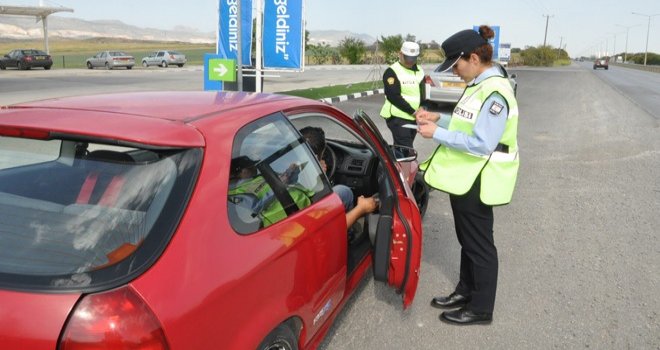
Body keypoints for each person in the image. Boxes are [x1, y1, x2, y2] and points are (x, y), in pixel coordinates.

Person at [414, 25, 520, 325]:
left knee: (479, 245)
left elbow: (482, 142)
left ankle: (481, 308)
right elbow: (468, 122)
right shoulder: (478, 85)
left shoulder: (496, 91)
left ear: (474, 58)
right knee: (467, 240)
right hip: (466, 178)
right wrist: (440, 117)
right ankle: (466, 291)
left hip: (480, 178)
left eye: (456, 65)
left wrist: (437, 133)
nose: (454, 72)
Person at [299, 126, 378, 231]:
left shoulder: (283, 169)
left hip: (300, 212)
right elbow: (324, 227)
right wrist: (361, 209)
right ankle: (348, 234)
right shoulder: (295, 194)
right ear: (317, 156)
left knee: (342, 191)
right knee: (345, 191)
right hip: (308, 227)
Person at [380, 41, 427, 149]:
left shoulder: (420, 71)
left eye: (413, 58)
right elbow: (393, 96)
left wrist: (423, 108)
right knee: (406, 148)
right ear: (400, 54)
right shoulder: (392, 71)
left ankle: (396, 165)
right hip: (398, 117)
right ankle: (403, 165)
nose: (410, 61)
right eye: (408, 58)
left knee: (404, 148)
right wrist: (413, 112)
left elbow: (422, 94)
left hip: (414, 117)